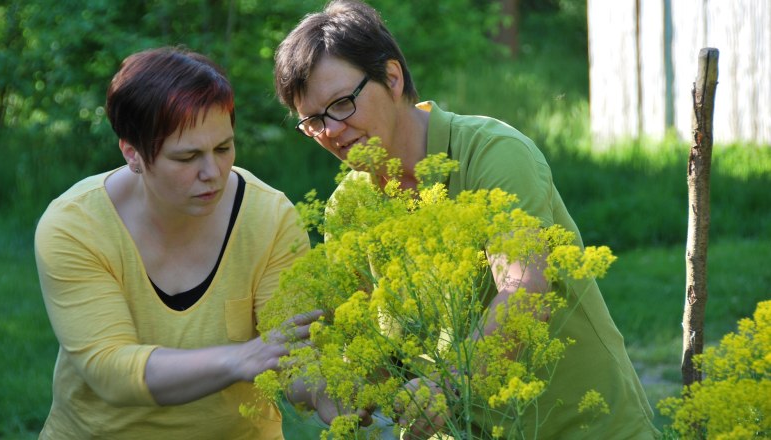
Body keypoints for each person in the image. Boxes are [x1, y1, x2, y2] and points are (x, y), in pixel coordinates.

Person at [273, 1, 660, 438]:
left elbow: (524, 289)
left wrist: (450, 384)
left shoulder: (490, 152)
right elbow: (369, 350)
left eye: (342, 104)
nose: (332, 131)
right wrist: (334, 388)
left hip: (582, 427)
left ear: (393, 78)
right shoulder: (348, 208)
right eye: (313, 121)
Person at [34, 46, 319, 439]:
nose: (213, 173)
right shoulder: (75, 225)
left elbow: (292, 360)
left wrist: (343, 392)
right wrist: (239, 359)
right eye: (187, 158)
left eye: (223, 149)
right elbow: (110, 370)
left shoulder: (270, 218)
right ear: (132, 153)